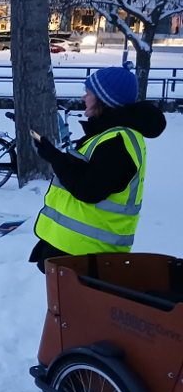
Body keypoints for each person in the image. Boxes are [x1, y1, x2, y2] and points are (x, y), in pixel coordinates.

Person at [29, 64, 166, 273]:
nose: (84, 98)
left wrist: (55, 158)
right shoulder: (109, 134)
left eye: (88, 93)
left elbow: (89, 190)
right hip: (77, 248)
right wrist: (56, 156)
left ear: (105, 99)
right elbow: (89, 175)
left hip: (88, 255)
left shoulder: (117, 142)